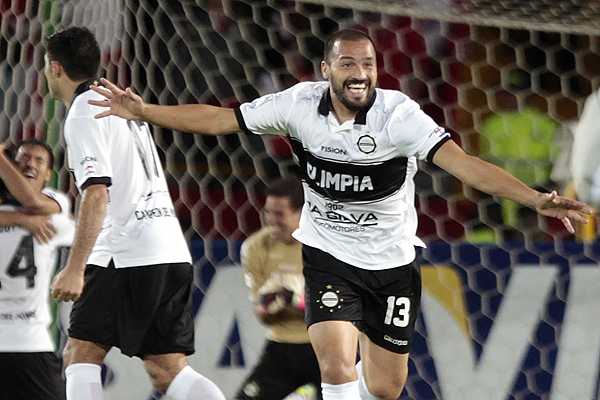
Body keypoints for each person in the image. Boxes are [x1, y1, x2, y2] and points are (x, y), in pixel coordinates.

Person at [90, 29, 593, 400]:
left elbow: (461, 163)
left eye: (368, 64)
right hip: (330, 254)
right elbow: (226, 118)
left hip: (393, 263)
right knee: (334, 360)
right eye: (348, 64)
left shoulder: (400, 117)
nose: (360, 73)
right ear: (326, 69)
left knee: (386, 387)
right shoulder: (298, 106)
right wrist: (146, 111)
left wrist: (534, 198)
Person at [43, 27, 225, 400]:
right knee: (167, 371)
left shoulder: (84, 112)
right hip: (168, 249)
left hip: (123, 252)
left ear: (55, 68)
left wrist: (76, 267)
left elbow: (96, 193)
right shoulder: (119, 105)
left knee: (81, 353)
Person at [0, 139, 75, 400]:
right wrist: (19, 220)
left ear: (48, 175)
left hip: (29, 340)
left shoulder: (55, 208)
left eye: (38, 160)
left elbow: (33, 201)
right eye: (22, 158)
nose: (29, 163)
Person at [236, 177, 321, 400]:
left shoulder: (323, 246)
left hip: (326, 346)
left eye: (280, 214)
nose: (272, 221)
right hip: (281, 346)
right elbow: (263, 315)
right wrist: (276, 300)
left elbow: (339, 307)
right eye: (268, 213)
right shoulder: (254, 247)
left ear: (301, 213)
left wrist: (296, 300)